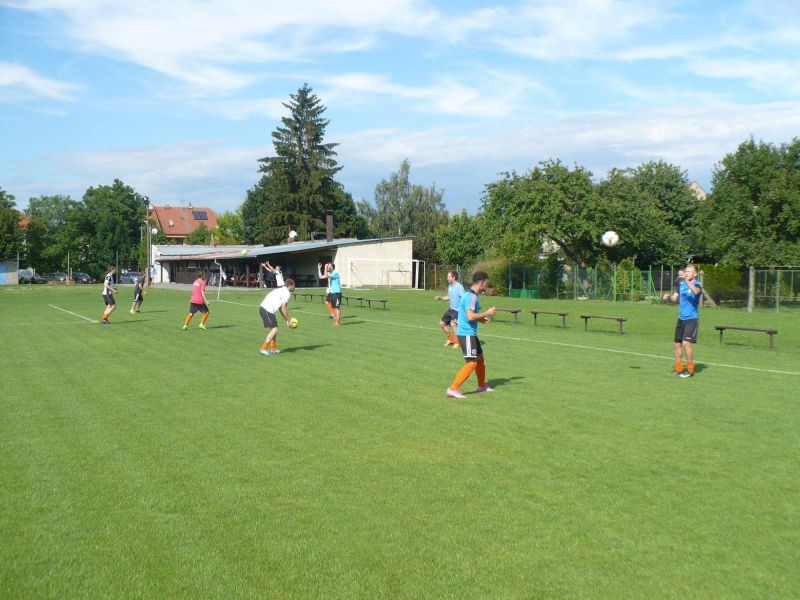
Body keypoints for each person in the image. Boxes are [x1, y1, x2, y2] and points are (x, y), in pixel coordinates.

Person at [446, 271, 497, 398]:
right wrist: (487, 313)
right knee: (471, 363)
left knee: (480, 359)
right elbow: (470, 316)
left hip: (471, 333)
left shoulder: (472, 295)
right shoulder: (471, 296)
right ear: (482, 281)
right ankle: (452, 388)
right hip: (466, 334)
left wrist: (481, 319)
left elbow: (470, 315)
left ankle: (481, 386)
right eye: (486, 282)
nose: (487, 285)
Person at [670, 264, 703, 378]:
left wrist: (686, 280)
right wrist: (668, 297)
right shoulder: (681, 284)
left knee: (686, 343)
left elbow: (696, 292)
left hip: (692, 319)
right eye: (686, 271)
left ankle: (690, 369)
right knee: (677, 344)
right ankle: (678, 368)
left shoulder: (697, 284)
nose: (687, 273)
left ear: (695, 274)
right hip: (681, 319)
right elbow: (675, 298)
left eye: (690, 271)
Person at [258, 278, 296, 355]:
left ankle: (273, 348)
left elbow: (281, 308)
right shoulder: (287, 293)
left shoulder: (281, 290)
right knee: (275, 329)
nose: (295, 287)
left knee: (274, 329)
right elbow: (284, 308)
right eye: (294, 286)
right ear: (290, 285)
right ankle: (263, 348)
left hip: (267, 309)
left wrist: (286, 320)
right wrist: (289, 320)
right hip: (267, 309)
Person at [434, 270, 465, 348]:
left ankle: (458, 342)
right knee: (441, 323)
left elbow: (464, 298)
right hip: (451, 309)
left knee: (453, 324)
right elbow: (449, 297)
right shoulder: (450, 286)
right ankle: (451, 339)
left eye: (449, 277)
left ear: (454, 277)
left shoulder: (459, 287)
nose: (447, 278)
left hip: (457, 310)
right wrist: (440, 298)